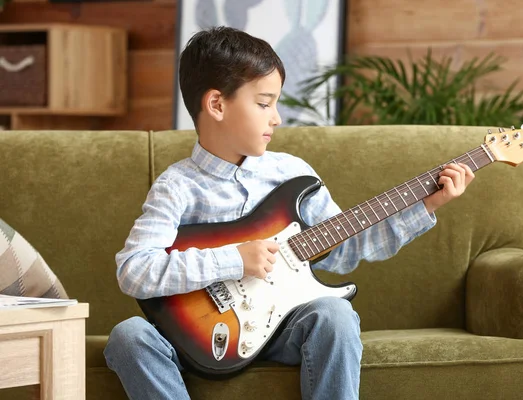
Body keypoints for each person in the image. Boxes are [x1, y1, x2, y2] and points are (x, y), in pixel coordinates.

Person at [103, 26, 475, 400]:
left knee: (335, 313)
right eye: (264, 103)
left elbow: (345, 250)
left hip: (283, 327)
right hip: (196, 337)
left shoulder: (292, 173)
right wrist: (232, 259)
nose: (276, 118)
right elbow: (135, 270)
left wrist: (426, 204)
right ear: (217, 105)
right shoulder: (177, 186)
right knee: (128, 336)